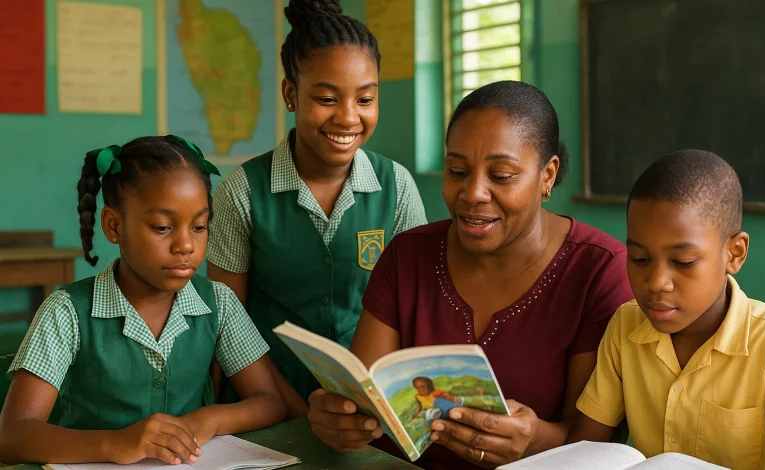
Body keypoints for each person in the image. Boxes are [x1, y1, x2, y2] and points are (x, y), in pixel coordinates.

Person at [307, 80, 635, 470]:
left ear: (547, 176)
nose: (473, 192)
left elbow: (597, 442)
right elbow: (365, 400)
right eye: (457, 170)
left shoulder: (598, 270)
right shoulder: (407, 255)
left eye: (501, 176)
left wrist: (534, 440)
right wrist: (339, 420)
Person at [0, 136, 285, 465]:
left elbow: (269, 402)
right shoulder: (67, 311)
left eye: (199, 226)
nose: (185, 245)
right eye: (163, 227)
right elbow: (11, 436)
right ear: (114, 225)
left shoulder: (219, 302)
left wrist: (209, 420)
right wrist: (117, 444)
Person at [206, 0, 427, 416]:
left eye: (365, 99)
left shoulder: (396, 188)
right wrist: (298, 413)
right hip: (267, 406)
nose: (348, 118)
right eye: (327, 98)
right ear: (291, 94)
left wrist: (366, 412)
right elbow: (228, 327)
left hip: (367, 413)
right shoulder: (242, 191)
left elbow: (413, 315)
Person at [567, 150, 765, 469]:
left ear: (734, 254)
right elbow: (586, 447)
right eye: (639, 259)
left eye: (683, 262)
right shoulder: (626, 325)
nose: (656, 282)